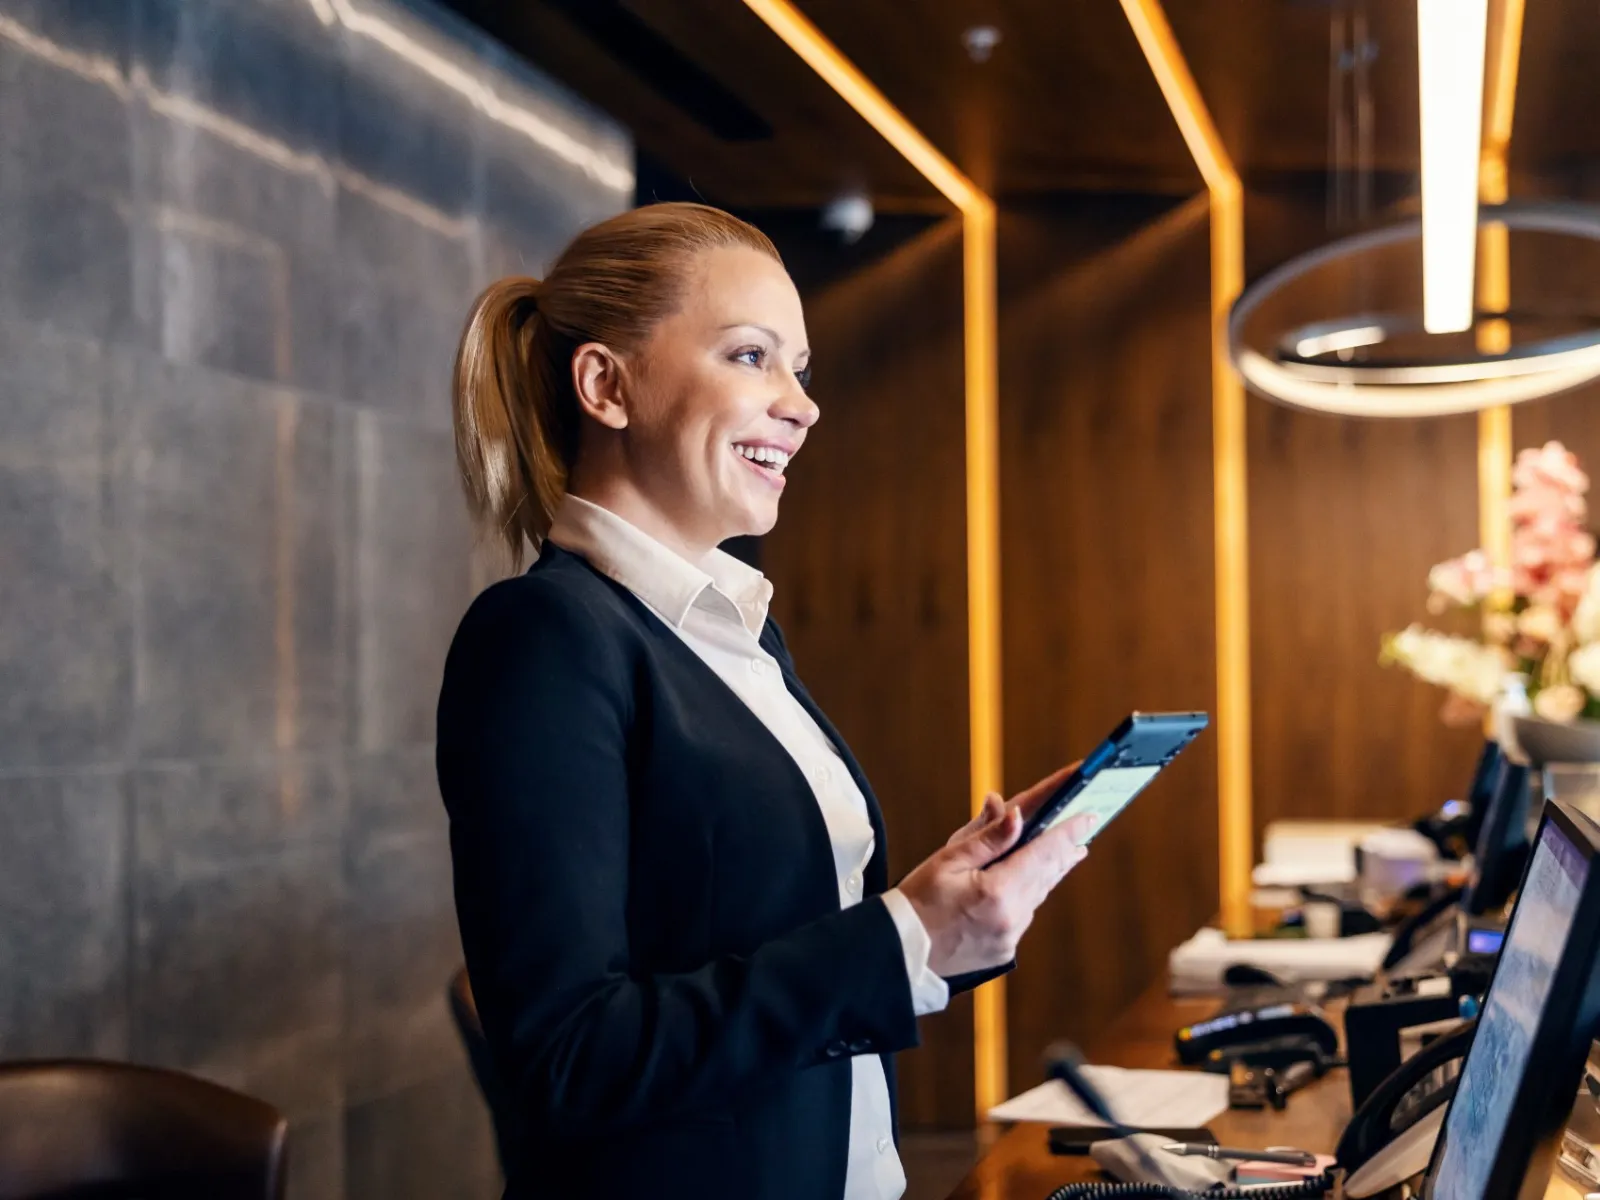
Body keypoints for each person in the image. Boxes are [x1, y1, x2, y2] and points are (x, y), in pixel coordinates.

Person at [436, 202, 1094, 1200]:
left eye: (800, 367)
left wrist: (945, 920)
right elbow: (570, 1057)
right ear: (605, 386)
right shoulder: (544, 641)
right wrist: (899, 937)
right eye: (752, 356)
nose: (800, 403)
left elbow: (773, 944)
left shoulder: (735, 631)